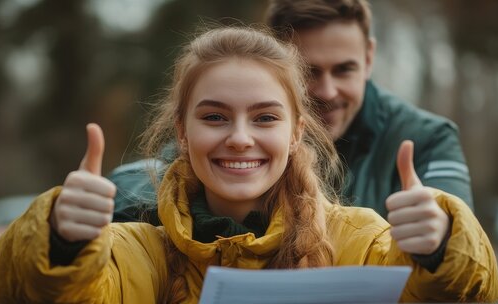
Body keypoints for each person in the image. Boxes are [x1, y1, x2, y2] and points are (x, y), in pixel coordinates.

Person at [0, 27, 498, 304]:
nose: (238, 136)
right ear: (182, 134)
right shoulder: (135, 249)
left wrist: (439, 245)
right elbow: (21, 296)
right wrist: (60, 240)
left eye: (265, 117)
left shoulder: (359, 240)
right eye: (213, 117)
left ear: (297, 132)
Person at [109, 0, 474, 220]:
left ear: (369, 57)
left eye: (345, 69)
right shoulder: (232, 136)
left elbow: (463, 259)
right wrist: (86, 210)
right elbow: (162, 171)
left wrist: (440, 236)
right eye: (309, 72)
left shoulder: (428, 138)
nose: (327, 91)